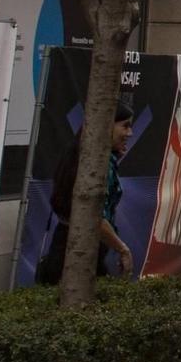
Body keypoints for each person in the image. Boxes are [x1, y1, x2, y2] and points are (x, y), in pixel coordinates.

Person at [37, 107, 136, 284]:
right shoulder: (97, 165)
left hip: (73, 249)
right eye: (125, 126)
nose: (130, 133)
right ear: (106, 126)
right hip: (79, 254)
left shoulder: (83, 156)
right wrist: (122, 250)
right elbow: (95, 217)